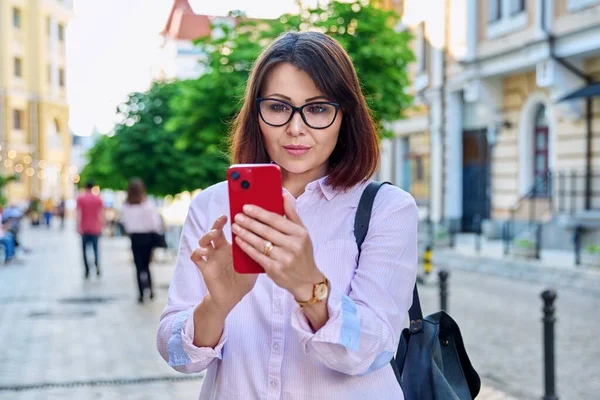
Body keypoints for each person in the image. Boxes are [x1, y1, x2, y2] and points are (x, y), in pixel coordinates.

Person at [157, 32, 418, 399]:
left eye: (317, 108)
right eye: (279, 107)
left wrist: (309, 287)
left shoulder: (387, 209)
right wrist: (217, 304)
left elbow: (373, 350)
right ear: (256, 113)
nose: (296, 128)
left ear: (345, 115)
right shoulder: (213, 207)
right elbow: (176, 352)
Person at [120, 178, 163, 304]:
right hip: (148, 237)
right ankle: (150, 289)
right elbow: (154, 223)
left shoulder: (126, 206)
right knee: (147, 265)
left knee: (138, 267)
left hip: (134, 237)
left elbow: (125, 224)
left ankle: (140, 293)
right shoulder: (147, 205)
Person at [76, 181, 103, 279]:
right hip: (95, 228)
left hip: (84, 228)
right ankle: (97, 266)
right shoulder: (98, 199)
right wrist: (101, 226)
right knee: (96, 249)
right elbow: (101, 214)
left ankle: (87, 269)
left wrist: (77, 226)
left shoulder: (81, 198)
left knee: (84, 251)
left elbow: (78, 213)